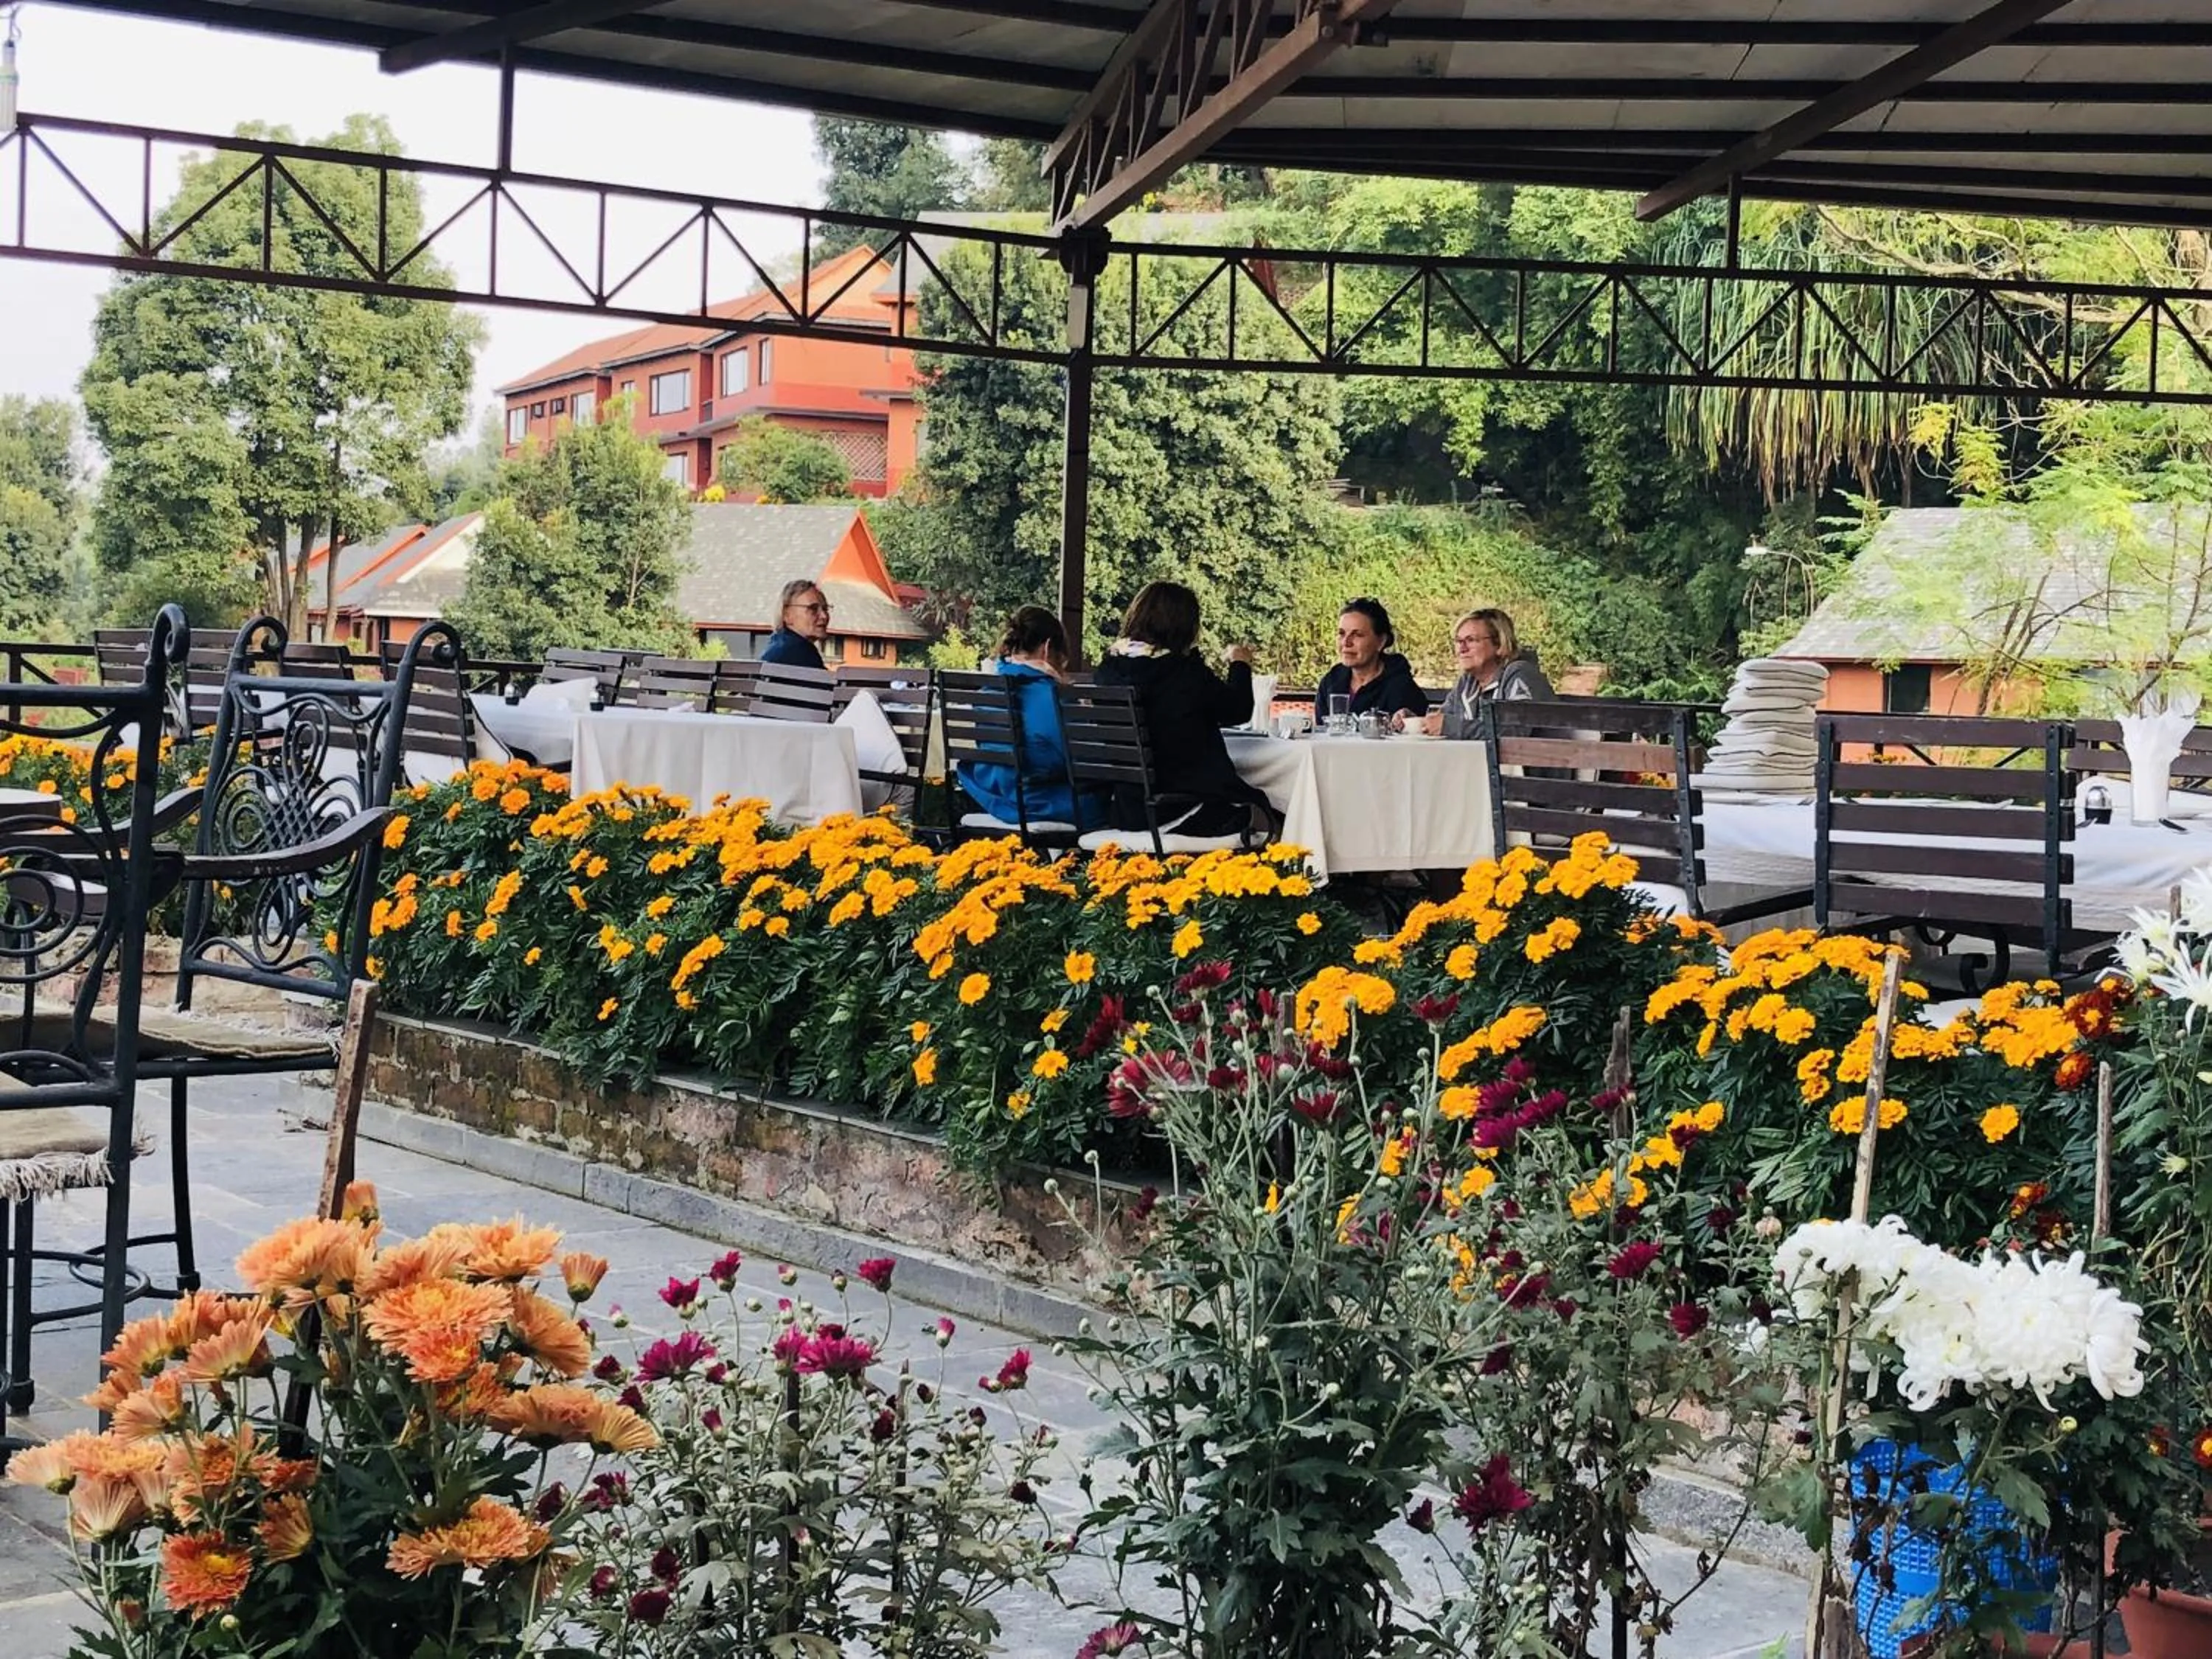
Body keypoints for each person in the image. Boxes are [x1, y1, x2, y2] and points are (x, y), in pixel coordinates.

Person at [1093, 580, 1265, 839]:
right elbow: (1238, 711)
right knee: (1271, 809)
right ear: (1186, 627)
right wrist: (1239, 664)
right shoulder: (1183, 674)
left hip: (1127, 810)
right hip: (1183, 810)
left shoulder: (1107, 672)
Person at [958, 607, 1104, 831]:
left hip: (996, 799)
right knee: (1114, 802)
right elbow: (1084, 761)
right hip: (1041, 802)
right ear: (1047, 648)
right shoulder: (1053, 696)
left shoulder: (989, 690)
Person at [1433, 607, 1555, 737]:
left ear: (1499, 644)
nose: (1462, 649)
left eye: (1471, 640)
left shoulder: (1520, 674)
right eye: (1459, 641)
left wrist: (1452, 727)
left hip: (1542, 756)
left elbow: (1515, 731)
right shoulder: (1467, 683)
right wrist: (1418, 722)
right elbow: (1443, 719)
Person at [1314, 597, 1427, 724]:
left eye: (1357, 635)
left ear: (1381, 642)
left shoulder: (1402, 689)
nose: (1346, 642)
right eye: (1341, 634)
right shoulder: (1330, 682)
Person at [760, 580, 831, 670]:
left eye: (825, 609)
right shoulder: (800, 654)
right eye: (813, 608)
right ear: (787, 615)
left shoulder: (777, 648)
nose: (824, 616)